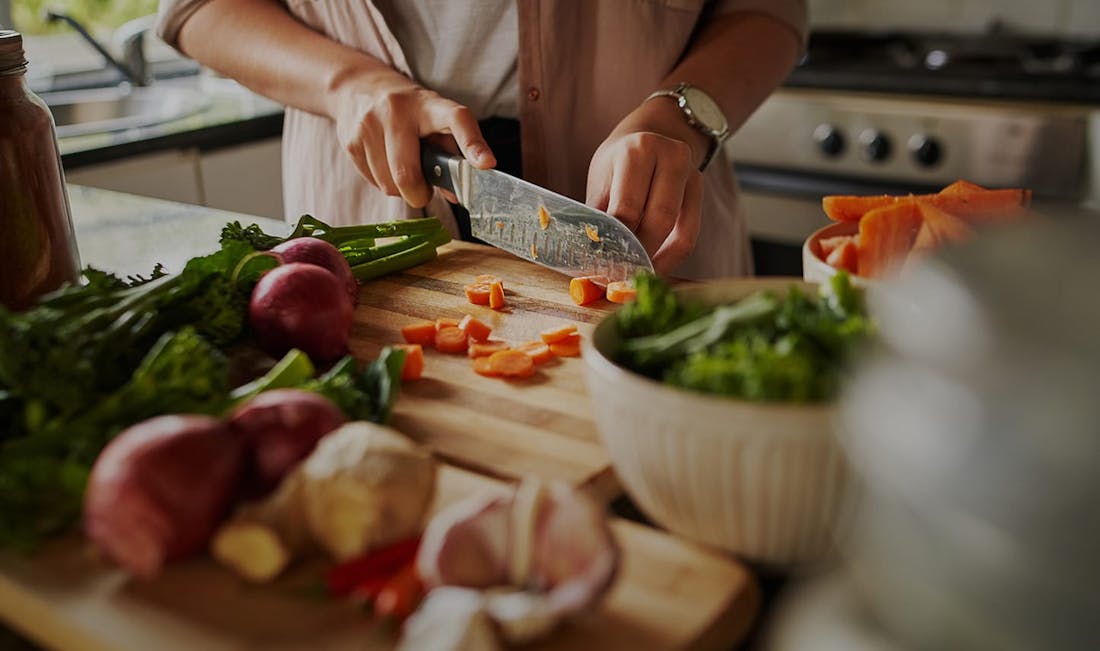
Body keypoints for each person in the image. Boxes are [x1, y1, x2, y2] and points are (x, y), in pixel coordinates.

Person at [155, 1, 806, 279]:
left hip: (650, 205)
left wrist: (678, 117)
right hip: (380, 192)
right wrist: (347, 85)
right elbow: (197, 9)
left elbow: (770, 9)